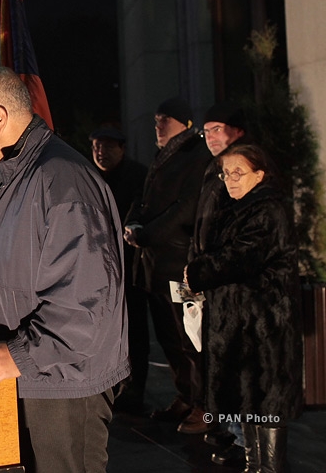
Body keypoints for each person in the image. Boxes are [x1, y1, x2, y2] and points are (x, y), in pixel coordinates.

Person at [0, 66, 128, 473]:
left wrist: (18, 356)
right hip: (26, 374)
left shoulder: (62, 181)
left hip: (61, 383)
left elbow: (87, 306)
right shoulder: (10, 175)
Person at [185, 144, 302, 473]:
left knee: (266, 402)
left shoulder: (267, 210)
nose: (230, 180)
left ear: (259, 175)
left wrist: (197, 272)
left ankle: (269, 468)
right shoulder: (237, 207)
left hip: (264, 326)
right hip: (241, 327)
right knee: (247, 400)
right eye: (226, 174)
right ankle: (254, 466)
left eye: (238, 173)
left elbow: (240, 257)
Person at [123, 96, 211, 434]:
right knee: (170, 337)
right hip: (157, 264)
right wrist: (132, 223)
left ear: (184, 123)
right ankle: (186, 396)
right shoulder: (166, 155)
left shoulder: (195, 155)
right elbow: (143, 199)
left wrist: (147, 234)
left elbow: (186, 206)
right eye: (156, 120)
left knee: (189, 338)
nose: (157, 126)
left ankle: (203, 406)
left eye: (165, 120)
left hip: (179, 264)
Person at [190, 101, 251, 464]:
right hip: (211, 279)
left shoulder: (244, 168)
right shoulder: (216, 168)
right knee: (219, 362)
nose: (210, 137)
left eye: (217, 129)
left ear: (237, 132)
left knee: (238, 364)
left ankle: (245, 440)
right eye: (206, 130)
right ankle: (229, 430)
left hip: (232, 284)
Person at [89, 126, 149, 415]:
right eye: (96, 146)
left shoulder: (138, 176)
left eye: (107, 146)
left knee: (134, 328)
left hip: (130, 266)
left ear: (122, 149)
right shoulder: (88, 175)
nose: (101, 152)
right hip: (96, 267)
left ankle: (134, 386)